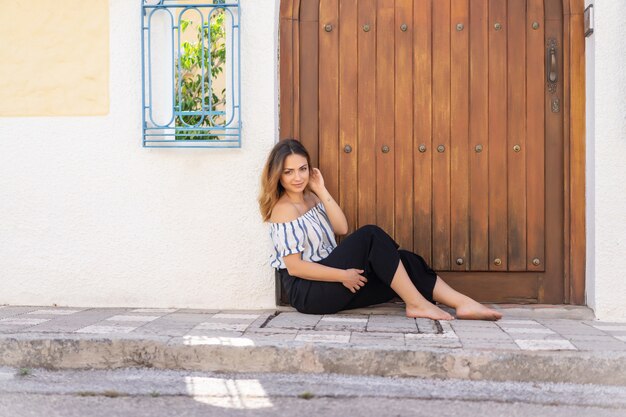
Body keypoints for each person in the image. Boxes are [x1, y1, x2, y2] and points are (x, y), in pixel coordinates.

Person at [259, 139, 503, 321]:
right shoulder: (283, 210)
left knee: (403, 261)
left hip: (331, 279)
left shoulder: (311, 197)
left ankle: (463, 303)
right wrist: (343, 276)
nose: (297, 177)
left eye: (302, 169)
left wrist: (321, 190)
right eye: (288, 172)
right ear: (277, 175)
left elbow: (341, 227)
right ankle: (417, 304)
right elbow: (295, 267)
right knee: (370, 235)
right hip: (309, 292)